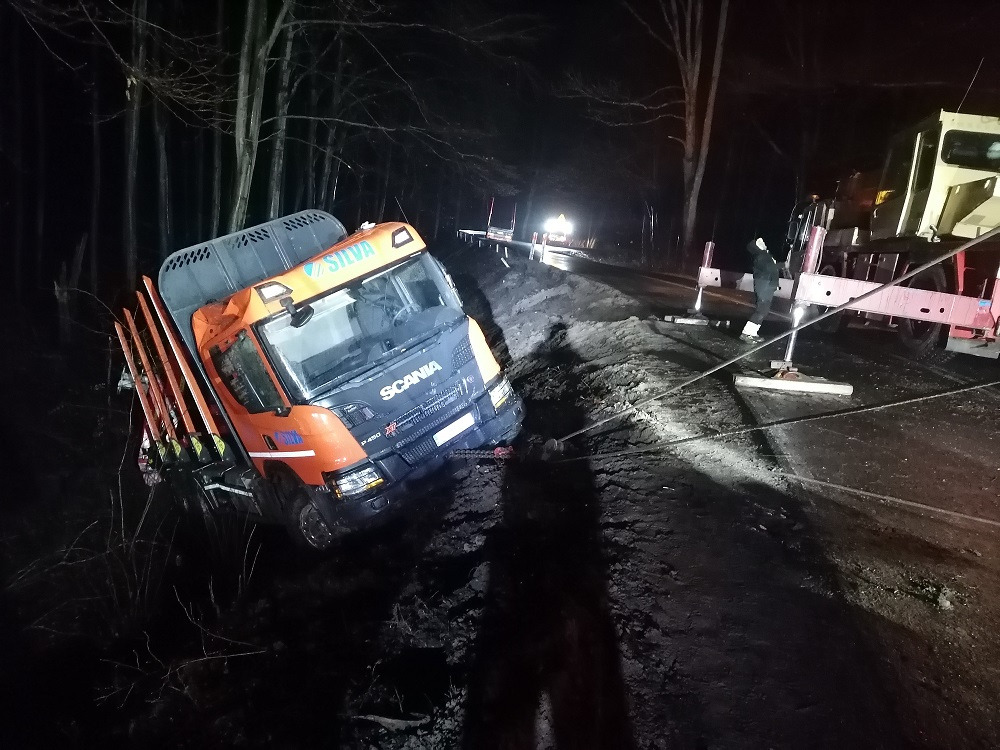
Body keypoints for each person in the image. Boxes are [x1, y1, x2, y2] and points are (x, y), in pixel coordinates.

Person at [740, 237, 779, 343]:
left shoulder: (763, 255)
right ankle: (746, 333)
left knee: (763, 310)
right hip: (764, 286)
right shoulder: (762, 256)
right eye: (760, 243)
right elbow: (770, 268)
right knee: (761, 310)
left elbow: (771, 269)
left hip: (767, 286)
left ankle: (753, 332)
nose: (763, 243)